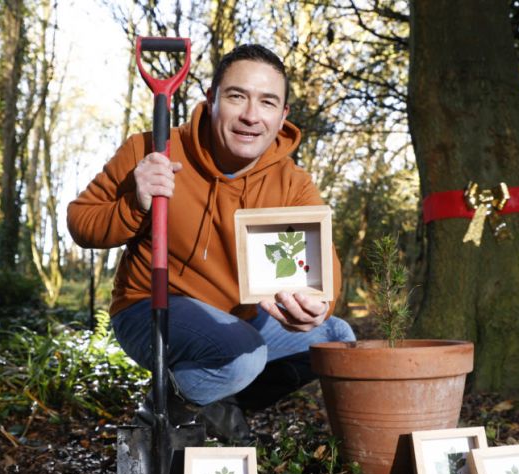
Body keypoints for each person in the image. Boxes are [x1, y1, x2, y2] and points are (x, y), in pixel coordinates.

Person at [67, 44, 355, 443]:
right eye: (237, 96)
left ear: (282, 115)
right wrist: (136, 202)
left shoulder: (292, 182)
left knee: (335, 338)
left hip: (241, 321)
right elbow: (82, 223)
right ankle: (171, 407)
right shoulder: (153, 150)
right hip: (151, 309)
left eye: (267, 102)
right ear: (212, 99)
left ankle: (207, 401)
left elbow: (321, 259)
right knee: (242, 354)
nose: (251, 115)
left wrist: (319, 303)